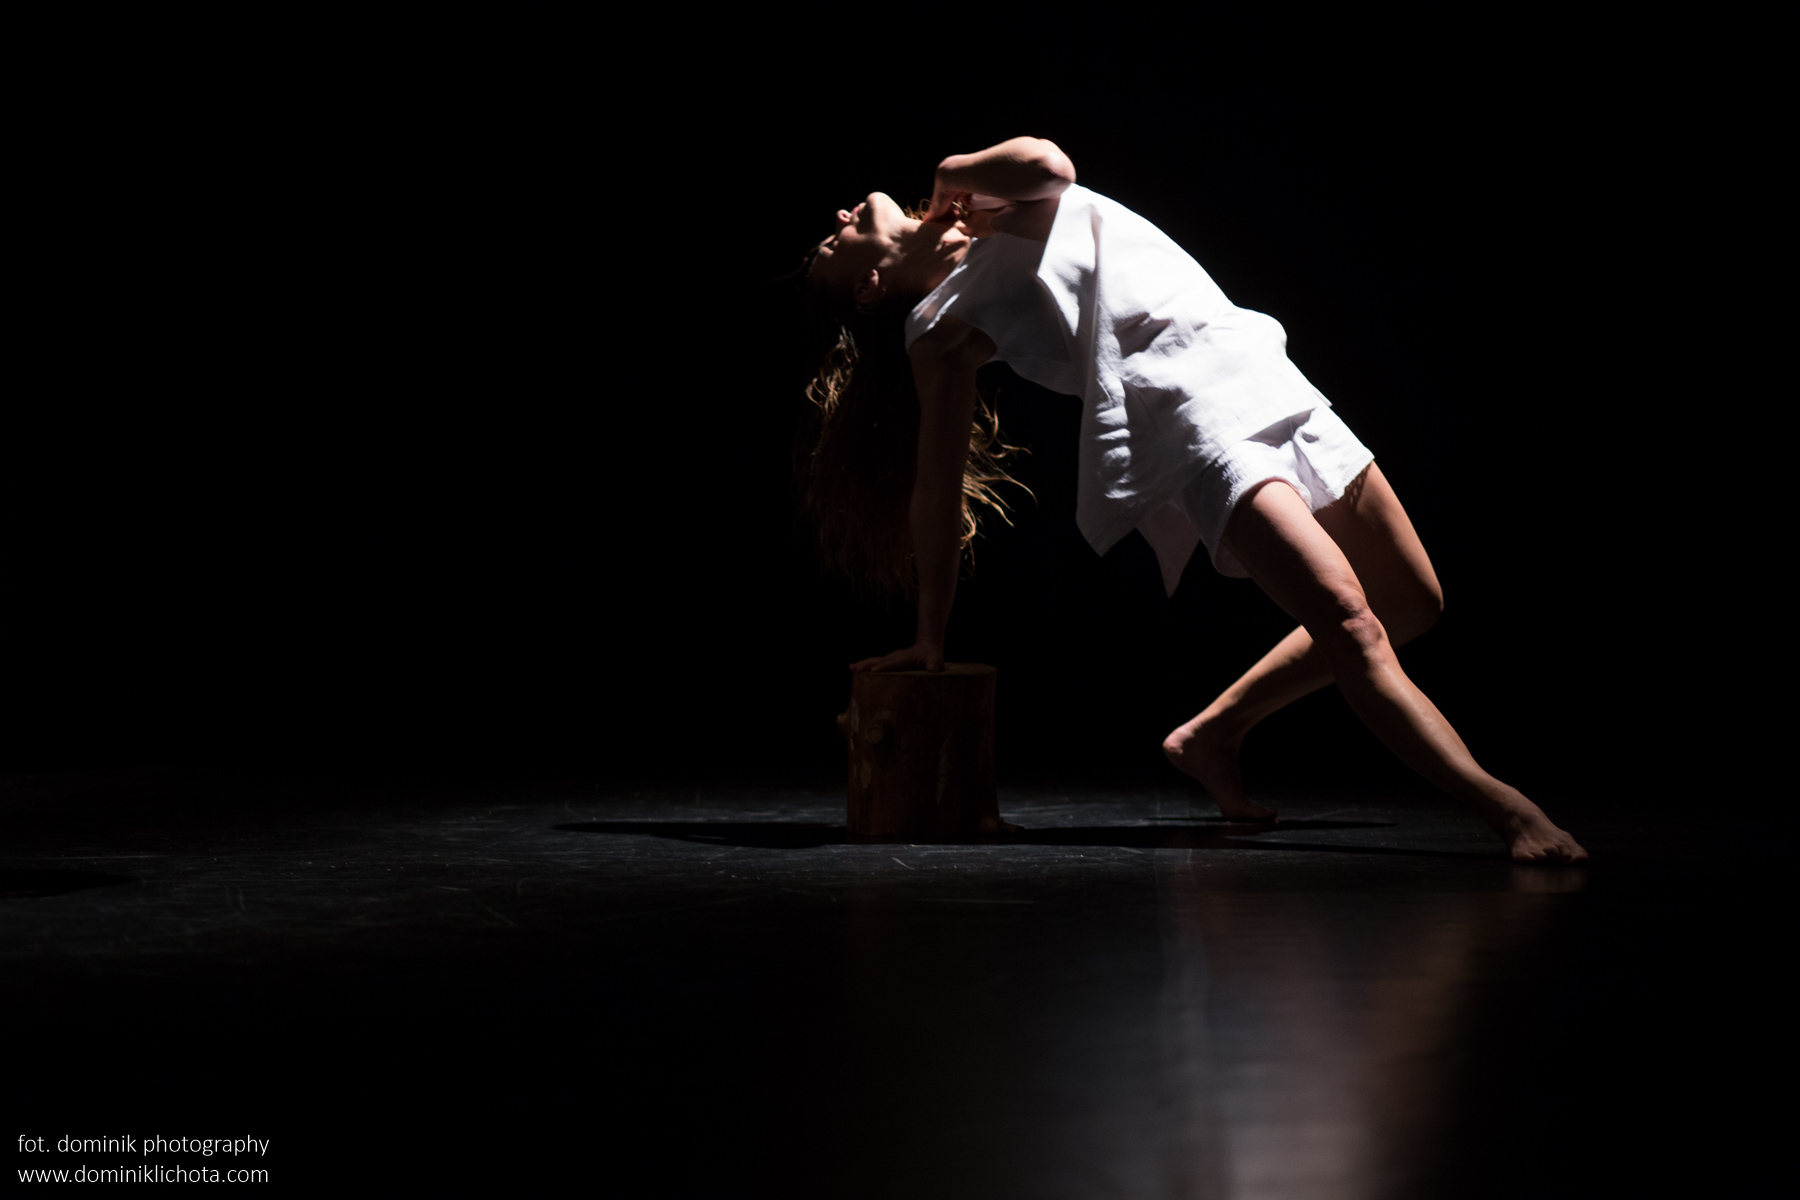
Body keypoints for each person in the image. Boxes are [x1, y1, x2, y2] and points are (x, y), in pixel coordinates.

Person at [798, 137, 1586, 864]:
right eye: (831, 247)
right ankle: (1507, 810)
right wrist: (929, 634)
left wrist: (955, 176)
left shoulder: (988, 200)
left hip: (1265, 376)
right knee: (1350, 620)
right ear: (870, 288)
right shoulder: (937, 325)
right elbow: (936, 489)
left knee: (1412, 602)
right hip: (1194, 427)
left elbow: (1050, 166)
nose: (838, 218)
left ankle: (1213, 734)